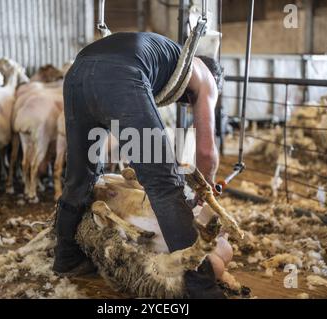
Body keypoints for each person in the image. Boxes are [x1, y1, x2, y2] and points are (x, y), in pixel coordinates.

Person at [54, 32, 228, 298]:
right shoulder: (206, 77)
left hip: (77, 73)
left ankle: (67, 259)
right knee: (164, 184)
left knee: (80, 178)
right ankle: (201, 288)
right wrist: (206, 192)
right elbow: (206, 151)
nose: (187, 104)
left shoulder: (166, 59)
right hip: (121, 76)